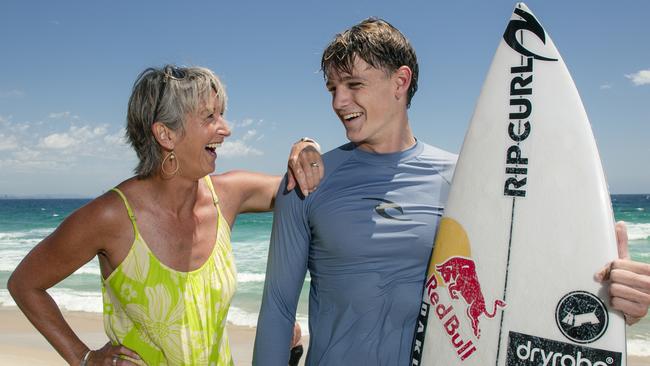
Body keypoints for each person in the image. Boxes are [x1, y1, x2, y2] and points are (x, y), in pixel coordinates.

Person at [254, 18, 650, 365]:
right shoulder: (307, 182)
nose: (340, 102)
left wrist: (610, 297)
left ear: (400, 81)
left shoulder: (465, 182)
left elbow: (523, 282)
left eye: (354, 84)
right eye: (332, 88)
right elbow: (277, 307)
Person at [8, 65, 320, 365]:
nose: (226, 129)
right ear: (166, 135)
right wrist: (83, 357)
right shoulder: (112, 217)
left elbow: (311, 185)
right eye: (209, 117)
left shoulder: (227, 195)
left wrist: (306, 146)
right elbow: (25, 284)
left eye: (221, 114)